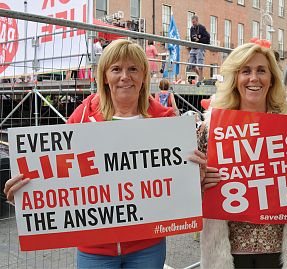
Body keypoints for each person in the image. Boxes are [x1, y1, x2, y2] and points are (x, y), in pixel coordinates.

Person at [4, 39, 175, 269]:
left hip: (147, 246)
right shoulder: (83, 116)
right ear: (104, 76)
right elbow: (58, 170)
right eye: (116, 69)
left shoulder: (166, 121)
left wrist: (196, 175)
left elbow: (178, 181)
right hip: (95, 249)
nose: (125, 76)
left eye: (133, 68)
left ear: (144, 75)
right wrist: (27, 196)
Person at [188, 42, 287, 268]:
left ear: (271, 79)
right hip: (228, 254)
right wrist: (199, 184)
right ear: (235, 78)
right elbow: (187, 191)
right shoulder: (211, 128)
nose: (254, 78)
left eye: (261, 70)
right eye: (246, 71)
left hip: (281, 252)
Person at [189, 15, 210, 83]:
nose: (193, 24)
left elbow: (207, 38)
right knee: (191, 65)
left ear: (197, 21)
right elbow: (191, 38)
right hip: (193, 48)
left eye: (194, 22)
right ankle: (202, 77)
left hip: (200, 48)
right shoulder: (192, 28)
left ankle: (200, 80)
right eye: (192, 22)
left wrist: (199, 39)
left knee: (200, 64)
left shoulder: (202, 28)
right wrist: (194, 39)